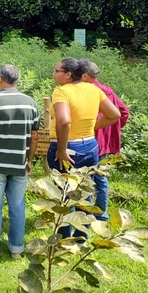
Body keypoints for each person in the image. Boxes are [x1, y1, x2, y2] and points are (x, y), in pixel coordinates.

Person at [48, 58, 121, 236]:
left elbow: (64, 121)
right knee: (85, 191)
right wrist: (93, 127)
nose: (53, 73)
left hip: (67, 146)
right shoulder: (94, 89)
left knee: (64, 193)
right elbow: (114, 114)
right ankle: (82, 236)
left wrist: (62, 150)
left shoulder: (61, 92)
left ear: (68, 74)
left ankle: (63, 237)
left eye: (56, 70)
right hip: (90, 145)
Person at [0, 64, 39, 263]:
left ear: (1, 79)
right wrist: (29, 159)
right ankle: (16, 249)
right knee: (18, 207)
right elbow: (34, 136)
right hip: (20, 163)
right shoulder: (30, 103)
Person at [81, 60, 130, 221]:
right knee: (101, 177)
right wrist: (113, 129)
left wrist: (100, 127)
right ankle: (101, 213)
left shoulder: (90, 92)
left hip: (92, 140)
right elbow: (124, 112)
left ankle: (87, 212)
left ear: (85, 76)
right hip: (108, 142)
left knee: (87, 177)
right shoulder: (108, 91)